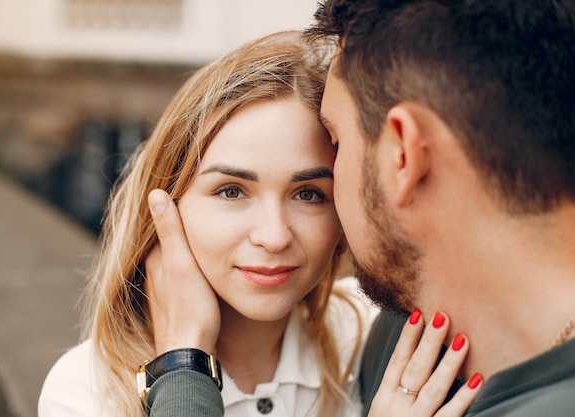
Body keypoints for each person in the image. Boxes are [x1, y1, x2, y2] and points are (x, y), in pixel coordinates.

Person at [137, 0, 575, 416]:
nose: (274, 236)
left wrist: (182, 370)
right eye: (231, 191)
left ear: (403, 155)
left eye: (337, 142)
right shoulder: (394, 337)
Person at [38, 30, 479, 417]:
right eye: (232, 191)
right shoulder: (87, 390)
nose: (273, 236)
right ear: (167, 204)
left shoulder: (373, 342)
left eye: (308, 194)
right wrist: (183, 361)